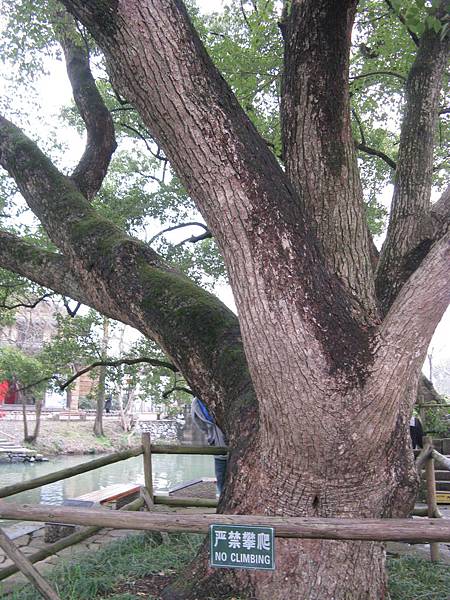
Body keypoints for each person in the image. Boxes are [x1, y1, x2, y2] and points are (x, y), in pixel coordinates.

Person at [191, 397, 228, 495]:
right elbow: (199, 422)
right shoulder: (196, 402)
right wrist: (210, 436)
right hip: (218, 444)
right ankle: (222, 497)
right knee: (221, 476)